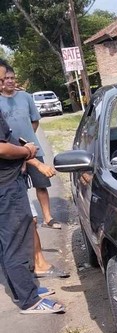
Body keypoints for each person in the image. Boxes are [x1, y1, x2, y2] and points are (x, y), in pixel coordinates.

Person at [0, 60, 64, 314]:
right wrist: (26, 150)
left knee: (14, 238)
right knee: (15, 241)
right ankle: (29, 300)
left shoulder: (23, 98)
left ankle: (26, 286)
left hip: (9, 182)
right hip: (5, 187)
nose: (4, 82)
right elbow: (2, 148)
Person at [0, 65, 61, 229]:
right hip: (12, 152)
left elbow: (35, 121)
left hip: (33, 148)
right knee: (18, 187)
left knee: (41, 184)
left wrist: (28, 142)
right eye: (6, 78)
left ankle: (48, 218)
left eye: (12, 78)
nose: (10, 81)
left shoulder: (26, 97)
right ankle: (27, 220)